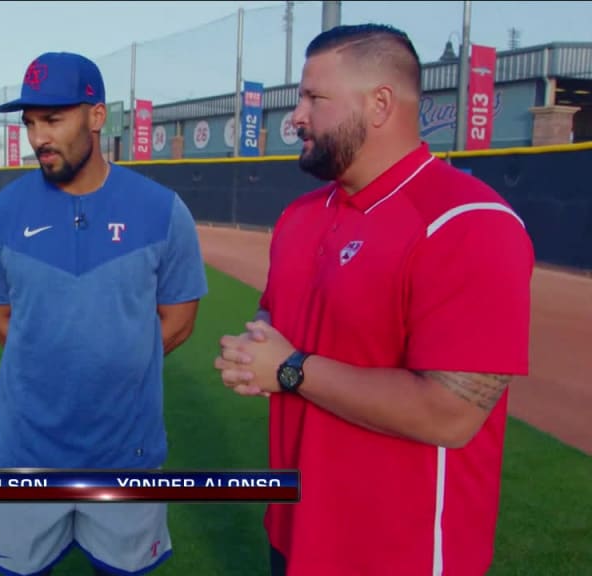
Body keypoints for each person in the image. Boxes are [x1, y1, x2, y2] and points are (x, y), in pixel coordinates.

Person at [214, 24, 533, 576]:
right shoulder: (301, 215)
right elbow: (277, 315)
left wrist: (289, 369)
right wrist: (257, 343)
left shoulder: (468, 222)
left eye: (315, 98)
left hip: (397, 555)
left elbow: (450, 414)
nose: (297, 117)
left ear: (380, 104)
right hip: (293, 531)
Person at [0, 51, 208, 576]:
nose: (37, 137)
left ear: (97, 116)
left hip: (127, 452)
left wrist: (118, 359)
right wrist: (53, 362)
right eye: (30, 122)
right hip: (26, 451)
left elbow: (179, 318)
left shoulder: (162, 210)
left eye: (53, 119)